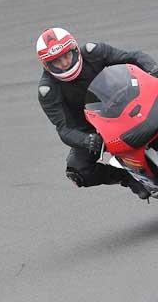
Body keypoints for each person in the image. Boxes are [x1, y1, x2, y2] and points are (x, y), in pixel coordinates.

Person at [36, 27, 158, 199]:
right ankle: (129, 178)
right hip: (93, 131)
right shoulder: (48, 90)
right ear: (47, 65)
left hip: (123, 103)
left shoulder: (93, 52)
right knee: (77, 171)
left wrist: (153, 70)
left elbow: (133, 57)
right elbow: (63, 129)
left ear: (75, 50)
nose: (64, 63)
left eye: (66, 55)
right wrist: (86, 140)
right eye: (56, 61)